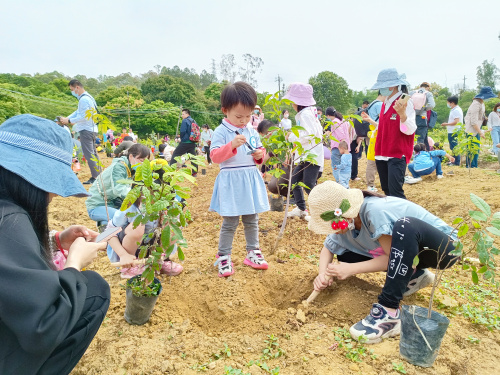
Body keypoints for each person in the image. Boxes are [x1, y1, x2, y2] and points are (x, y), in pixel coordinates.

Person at [0, 114, 110, 374]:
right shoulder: (9, 221)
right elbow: (44, 325)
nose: (51, 197)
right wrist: (74, 264)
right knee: (93, 290)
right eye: (50, 187)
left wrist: (56, 240)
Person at [307, 181, 457, 344]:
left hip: (443, 248)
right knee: (346, 256)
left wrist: (350, 269)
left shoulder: (374, 212)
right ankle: (416, 275)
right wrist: (323, 275)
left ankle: (389, 312)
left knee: (405, 226)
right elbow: (328, 248)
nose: (333, 230)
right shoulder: (348, 225)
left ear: (343, 215)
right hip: (411, 254)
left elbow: (393, 256)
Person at [209, 82, 270, 277]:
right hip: (231, 180)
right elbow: (215, 157)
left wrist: (260, 154)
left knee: (252, 218)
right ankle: (223, 256)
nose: (244, 120)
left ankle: (253, 252)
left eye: (248, 116)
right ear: (225, 110)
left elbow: (259, 157)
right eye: (238, 116)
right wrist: (231, 145)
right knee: (230, 221)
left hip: (249, 177)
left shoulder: (251, 130)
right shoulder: (221, 132)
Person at [106, 159, 183, 279]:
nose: (153, 201)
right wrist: (123, 255)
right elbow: (108, 232)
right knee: (138, 227)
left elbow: (176, 232)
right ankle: (130, 266)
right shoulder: (131, 206)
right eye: (148, 194)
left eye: (159, 196)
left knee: (172, 225)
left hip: (154, 248)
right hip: (130, 250)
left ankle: (160, 260)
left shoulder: (172, 204)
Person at [362, 68, 416, 199]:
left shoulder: (404, 103)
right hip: (382, 153)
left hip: (396, 153)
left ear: (392, 86)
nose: (381, 90)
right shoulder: (385, 103)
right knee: (386, 190)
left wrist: (402, 115)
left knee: (396, 191)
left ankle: (403, 218)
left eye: (383, 87)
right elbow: (385, 127)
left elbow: (411, 129)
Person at [283, 83, 324, 219]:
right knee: (294, 181)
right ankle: (301, 209)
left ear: (298, 102)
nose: (291, 105)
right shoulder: (306, 113)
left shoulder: (306, 114)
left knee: (308, 185)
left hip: (311, 156)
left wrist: (292, 136)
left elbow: (309, 134)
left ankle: (321, 212)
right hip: (305, 155)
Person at [86, 144, 151, 227]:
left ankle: (104, 224)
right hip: (98, 205)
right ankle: (105, 229)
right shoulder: (119, 167)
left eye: (146, 162)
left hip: (112, 204)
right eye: (141, 160)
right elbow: (119, 189)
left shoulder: (131, 169)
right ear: (131, 156)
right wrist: (139, 197)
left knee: (125, 218)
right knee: (123, 220)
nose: (143, 164)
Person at [59, 79, 100, 184]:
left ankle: (95, 177)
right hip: (92, 129)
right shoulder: (88, 98)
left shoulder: (83, 100)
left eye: (72, 89)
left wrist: (69, 120)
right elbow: (78, 112)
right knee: (93, 153)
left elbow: (83, 116)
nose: (72, 92)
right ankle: (99, 175)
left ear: (77, 87)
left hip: (86, 129)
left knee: (89, 154)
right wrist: (67, 118)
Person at [464, 87, 497, 168]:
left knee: (476, 149)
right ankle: (471, 166)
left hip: (477, 129)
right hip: (471, 130)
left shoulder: (481, 103)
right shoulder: (475, 104)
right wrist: (480, 132)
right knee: (472, 149)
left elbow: (481, 116)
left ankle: (474, 166)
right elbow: (473, 122)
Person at [325, 107, 357, 184]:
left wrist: (342, 144)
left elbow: (340, 134)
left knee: (336, 166)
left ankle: (340, 183)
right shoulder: (343, 121)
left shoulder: (335, 122)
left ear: (328, 115)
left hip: (338, 147)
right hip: (345, 147)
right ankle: (344, 182)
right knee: (344, 166)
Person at [364, 91, 386, 191]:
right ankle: (371, 184)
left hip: (372, 134)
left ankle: (370, 184)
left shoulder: (372, 104)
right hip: (378, 134)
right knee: (373, 161)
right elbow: (383, 122)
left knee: (372, 159)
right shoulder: (380, 105)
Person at [169, 109, 199, 175]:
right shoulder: (193, 121)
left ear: (187, 114)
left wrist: (181, 138)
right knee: (193, 157)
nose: (182, 116)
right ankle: (195, 173)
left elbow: (182, 131)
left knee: (175, 154)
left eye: (183, 114)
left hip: (185, 142)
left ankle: (170, 170)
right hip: (192, 142)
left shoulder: (185, 121)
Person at [410, 82, 435, 150]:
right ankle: (420, 156)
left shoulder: (412, 92)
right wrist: (424, 109)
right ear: (428, 87)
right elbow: (432, 105)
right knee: (421, 139)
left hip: (412, 118)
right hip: (422, 118)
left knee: (414, 138)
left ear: (420, 86)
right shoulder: (428, 93)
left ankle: (426, 154)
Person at [441, 95, 463, 166]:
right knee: (452, 146)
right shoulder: (454, 110)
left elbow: (456, 121)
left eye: (448, 103)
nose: (448, 104)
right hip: (452, 130)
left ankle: (456, 162)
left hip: (454, 131)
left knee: (454, 147)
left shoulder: (456, 110)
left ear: (452, 103)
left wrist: (446, 124)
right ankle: (453, 160)